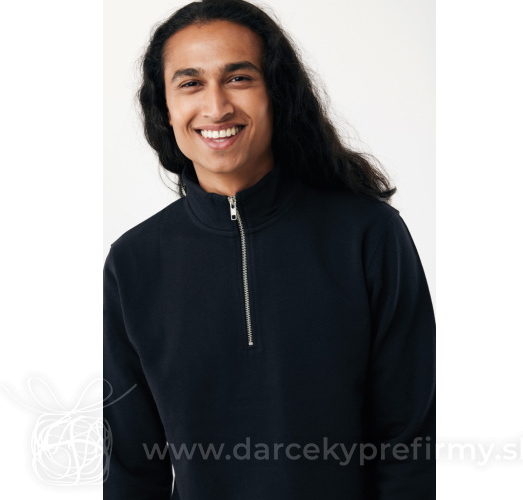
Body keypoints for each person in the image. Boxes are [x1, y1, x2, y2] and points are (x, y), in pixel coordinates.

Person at [103, 0, 435, 498]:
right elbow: (129, 467)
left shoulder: (368, 235)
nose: (216, 107)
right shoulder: (132, 264)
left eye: (239, 78)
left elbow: (411, 442)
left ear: (276, 92)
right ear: (165, 107)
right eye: (191, 83)